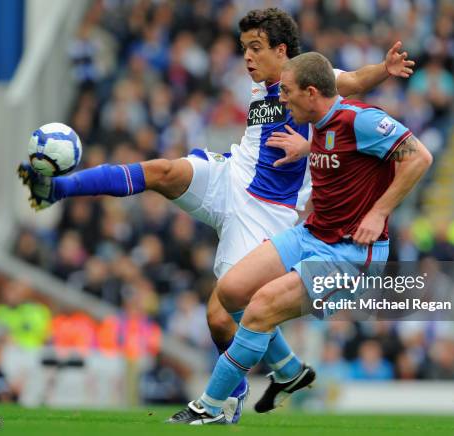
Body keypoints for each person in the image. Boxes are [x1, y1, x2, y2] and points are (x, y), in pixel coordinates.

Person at [18, 8, 415, 423]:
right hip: (230, 175)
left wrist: (384, 70)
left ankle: (242, 391)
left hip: (266, 211)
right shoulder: (263, 87)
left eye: (256, 49)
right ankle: (56, 189)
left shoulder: (309, 80)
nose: (246, 58)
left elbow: (353, 82)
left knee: (220, 313)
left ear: (282, 50)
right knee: (163, 171)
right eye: (244, 48)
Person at [167, 51, 432, 424]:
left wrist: (379, 212)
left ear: (310, 92)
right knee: (230, 291)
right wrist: (306, 147)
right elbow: (341, 150)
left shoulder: (362, 120)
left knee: (259, 310)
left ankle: (210, 407)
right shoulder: (320, 124)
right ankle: (289, 369)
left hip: (351, 256)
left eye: (288, 92)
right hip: (311, 234)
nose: (282, 98)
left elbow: (419, 157)